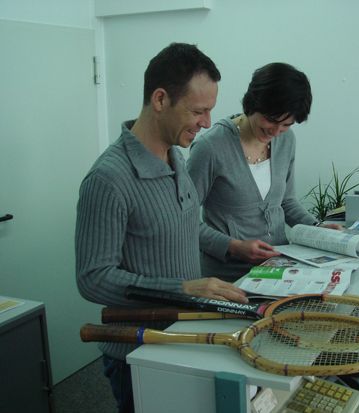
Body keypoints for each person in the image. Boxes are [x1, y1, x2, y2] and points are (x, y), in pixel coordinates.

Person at [75, 43, 247, 413]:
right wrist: (181, 288)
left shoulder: (176, 157)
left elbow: (183, 227)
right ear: (159, 99)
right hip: (136, 352)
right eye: (198, 111)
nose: (206, 122)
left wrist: (234, 247)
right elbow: (92, 278)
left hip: (181, 336)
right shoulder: (108, 179)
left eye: (210, 111)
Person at [187, 62, 340, 281]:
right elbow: (185, 221)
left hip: (277, 270)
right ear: (252, 104)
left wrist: (317, 228)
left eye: (287, 124)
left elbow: (286, 202)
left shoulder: (286, 140)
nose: (276, 131)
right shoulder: (210, 148)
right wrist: (234, 246)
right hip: (228, 277)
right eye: (270, 120)